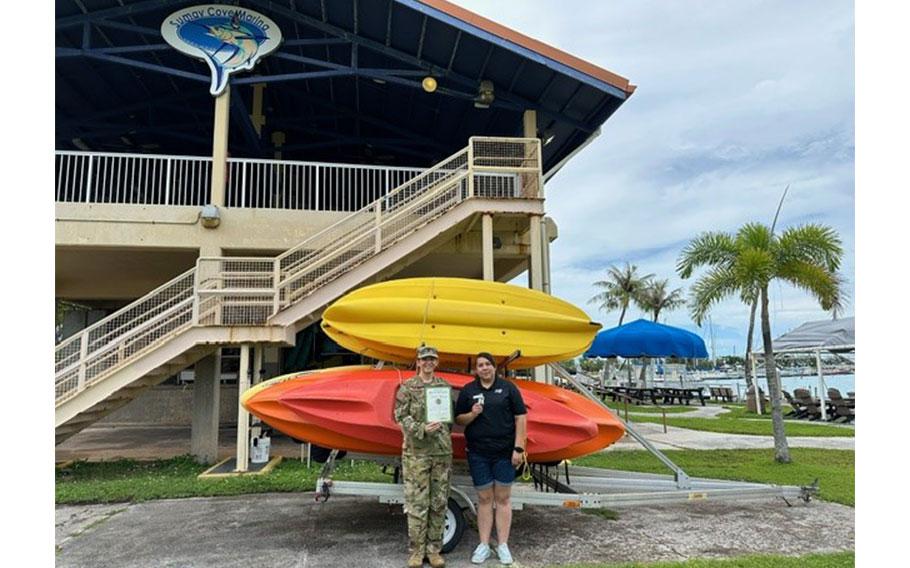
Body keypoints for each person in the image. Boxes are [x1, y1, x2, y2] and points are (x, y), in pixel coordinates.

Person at [455, 352, 527, 565]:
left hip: (504, 452)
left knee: (503, 499)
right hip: (478, 453)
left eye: (487, 364)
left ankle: (503, 545)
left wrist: (519, 448)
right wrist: (473, 414)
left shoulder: (508, 388)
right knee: (485, 499)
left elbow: (520, 417)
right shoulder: (469, 390)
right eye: (480, 365)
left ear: (494, 367)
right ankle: (484, 545)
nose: (484, 368)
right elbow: (459, 418)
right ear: (475, 370)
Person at [394, 345, 453, 568]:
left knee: (438, 502)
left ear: (436, 363)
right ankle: (417, 552)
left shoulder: (443, 387)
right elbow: (400, 416)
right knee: (417, 504)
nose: (428, 363)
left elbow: (449, 417)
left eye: (432, 359)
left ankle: (434, 550)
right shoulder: (407, 388)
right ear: (418, 362)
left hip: (441, 452)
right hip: (416, 453)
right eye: (424, 359)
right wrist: (421, 428)